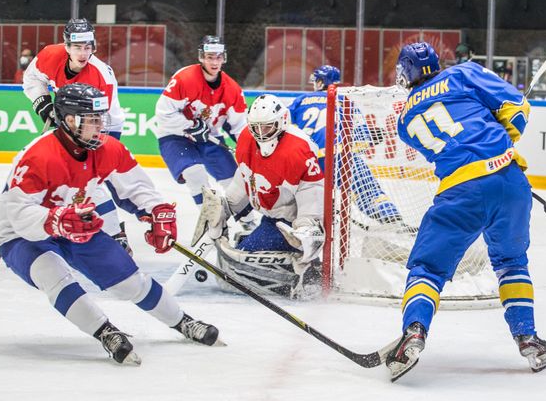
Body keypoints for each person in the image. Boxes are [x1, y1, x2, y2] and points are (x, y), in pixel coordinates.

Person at [0, 83, 220, 365]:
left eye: (101, 119)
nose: (99, 126)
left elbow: (135, 187)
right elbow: (18, 214)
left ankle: (183, 322)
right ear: (69, 120)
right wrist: (55, 221)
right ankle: (106, 332)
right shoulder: (37, 157)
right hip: (22, 235)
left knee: (128, 281)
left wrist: (156, 210)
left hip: (77, 223)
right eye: (91, 120)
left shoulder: (107, 148)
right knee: (51, 273)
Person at [385, 42, 546, 381]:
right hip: (510, 182)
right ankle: (528, 338)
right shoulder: (464, 73)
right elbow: (517, 108)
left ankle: (415, 331)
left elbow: (452, 135)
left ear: (406, 73)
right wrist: (504, 133)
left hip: (463, 191)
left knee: (427, 268)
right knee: (511, 262)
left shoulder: (405, 120)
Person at [199, 94, 325, 299]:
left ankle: (311, 273)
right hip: (272, 218)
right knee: (239, 263)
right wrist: (225, 208)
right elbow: (244, 179)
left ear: (282, 122)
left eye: (266, 127)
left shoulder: (298, 150)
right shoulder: (247, 140)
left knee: (242, 268)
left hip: (290, 222)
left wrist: (304, 232)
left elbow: (312, 198)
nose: (260, 133)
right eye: (255, 127)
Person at [22, 18, 131, 254]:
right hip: (73, 123)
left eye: (88, 47)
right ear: (67, 46)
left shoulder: (101, 75)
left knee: (91, 180)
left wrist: (71, 127)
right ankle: (63, 223)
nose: (83, 53)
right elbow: (32, 79)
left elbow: (99, 119)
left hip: (102, 127)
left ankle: (115, 234)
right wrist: (43, 103)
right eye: (77, 47)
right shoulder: (50, 56)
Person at [288, 65, 406, 225]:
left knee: (296, 196)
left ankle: (302, 219)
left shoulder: (301, 100)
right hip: (339, 158)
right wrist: (374, 134)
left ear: (321, 81)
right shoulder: (345, 101)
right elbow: (361, 136)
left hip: (307, 162)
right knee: (368, 190)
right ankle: (389, 215)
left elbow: (284, 127)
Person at [153, 35, 247, 206]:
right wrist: (190, 126)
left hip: (209, 137)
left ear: (223, 58)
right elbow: (163, 113)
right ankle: (210, 221)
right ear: (202, 57)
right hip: (175, 137)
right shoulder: (185, 79)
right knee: (195, 174)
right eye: (210, 57)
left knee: (234, 183)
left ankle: (248, 224)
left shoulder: (232, 89)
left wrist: (249, 149)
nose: (214, 62)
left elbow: (240, 126)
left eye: (218, 57)